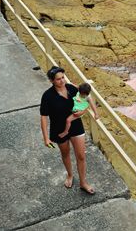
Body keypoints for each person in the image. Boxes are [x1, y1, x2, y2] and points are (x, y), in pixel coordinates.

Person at [40, 66, 99, 195]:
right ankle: (70, 175)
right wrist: (45, 137)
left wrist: (83, 112)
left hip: (76, 125)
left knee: (81, 156)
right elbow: (43, 117)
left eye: (63, 78)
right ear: (51, 81)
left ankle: (83, 182)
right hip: (58, 129)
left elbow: (87, 101)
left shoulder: (72, 88)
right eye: (58, 79)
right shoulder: (47, 96)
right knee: (65, 153)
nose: (62, 81)